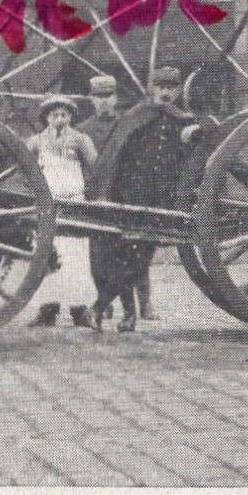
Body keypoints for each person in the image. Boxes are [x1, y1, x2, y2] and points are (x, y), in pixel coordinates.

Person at [90, 66, 201, 332]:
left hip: (161, 199)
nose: (166, 93)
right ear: (153, 89)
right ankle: (123, 314)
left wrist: (194, 132)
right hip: (131, 197)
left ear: (176, 91)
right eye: (161, 87)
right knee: (128, 257)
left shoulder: (181, 119)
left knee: (140, 259)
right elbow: (115, 155)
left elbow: (196, 153)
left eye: (171, 88)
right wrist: (107, 194)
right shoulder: (137, 115)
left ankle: (105, 310)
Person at [75, 73, 157, 322]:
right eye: (99, 97)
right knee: (99, 258)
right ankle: (106, 304)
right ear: (91, 99)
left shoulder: (127, 125)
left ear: (115, 98)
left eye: (108, 96)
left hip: (124, 196)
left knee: (133, 253)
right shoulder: (82, 130)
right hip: (95, 198)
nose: (104, 102)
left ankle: (145, 305)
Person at [25, 95, 98, 329]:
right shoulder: (35, 142)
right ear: (46, 117)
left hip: (74, 204)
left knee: (76, 256)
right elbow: (24, 169)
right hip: (47, 206)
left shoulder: (80, 140)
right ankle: (48, 308)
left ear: (70, 117)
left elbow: (95, 167)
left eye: (64, 115)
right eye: (54, 115)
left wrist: (89, 193)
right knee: (46, 254)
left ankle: (80, 309)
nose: (59, 119)